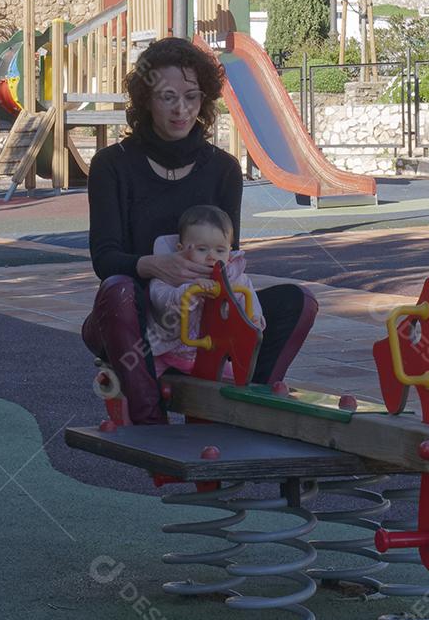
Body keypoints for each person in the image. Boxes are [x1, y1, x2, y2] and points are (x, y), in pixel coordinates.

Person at [83, 36, 317, 424]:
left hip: (201, 316)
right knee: (118, 289)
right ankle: (150, 422)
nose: (182, 109)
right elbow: (105, 259)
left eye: (191, 97)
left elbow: (227, 253)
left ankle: (247, 407)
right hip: (133, 319)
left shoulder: (223, 169)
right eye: (168, 97)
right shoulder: (112, 165)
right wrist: (157, 266)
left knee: (300, 302)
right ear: (146, 100)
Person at [146, 204, 265, 374]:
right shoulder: (171, 274)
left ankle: (260, 387)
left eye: (220, 250)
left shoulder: (237, 280)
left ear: (229, 251)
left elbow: (249, 302)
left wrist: (253, 320)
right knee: (145, 376)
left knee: (238, 377)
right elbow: (160, 298)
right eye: (202, 249)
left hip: (211, 352)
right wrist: (189, 291)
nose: (211, 256)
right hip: (167, 351)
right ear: (181, 249)